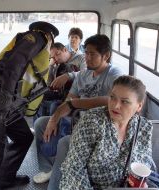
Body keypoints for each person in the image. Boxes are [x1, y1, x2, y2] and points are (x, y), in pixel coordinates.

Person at [0, 21, 59, 190]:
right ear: (50, 36)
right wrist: (5, 95)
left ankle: (5, 178)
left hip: (7, 104)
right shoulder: (38, 37)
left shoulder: (39, 47)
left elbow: (28, 79)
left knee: (24, 137)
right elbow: (14, 62)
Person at [33, 34, 123, 186]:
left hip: (99, 128)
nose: (87, 58)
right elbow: (69, 101)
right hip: (77, 120)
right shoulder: (82, 75)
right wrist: (54, 119)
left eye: (92, 54)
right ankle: (50, 168)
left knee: (64, 143)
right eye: (86, 53)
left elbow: (112, 101)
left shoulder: (113, 74)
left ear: (106, 55)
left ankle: (55, 184)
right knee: (41, 124)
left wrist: (76, 103)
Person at [60, 75, 153, 189]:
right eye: (112, 97)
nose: (116, 105)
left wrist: (141, 182)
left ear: (139, 106)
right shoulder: (92, 121)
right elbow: (74, 168)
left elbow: (145, 162)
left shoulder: (144, 127)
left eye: (125, 102)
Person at [34, 42, 86, 121]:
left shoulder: (81, 58)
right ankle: (41, 127)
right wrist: (51, 66)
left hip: (76, 95)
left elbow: (86, 73)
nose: (56, 59)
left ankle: (52, 128)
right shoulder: (57, 63)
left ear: (65, 49)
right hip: (61, 94)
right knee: (38, 98)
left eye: (57, 54)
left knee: (54, 106)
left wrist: (68, 76)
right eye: (53, 57)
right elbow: (50, 83)